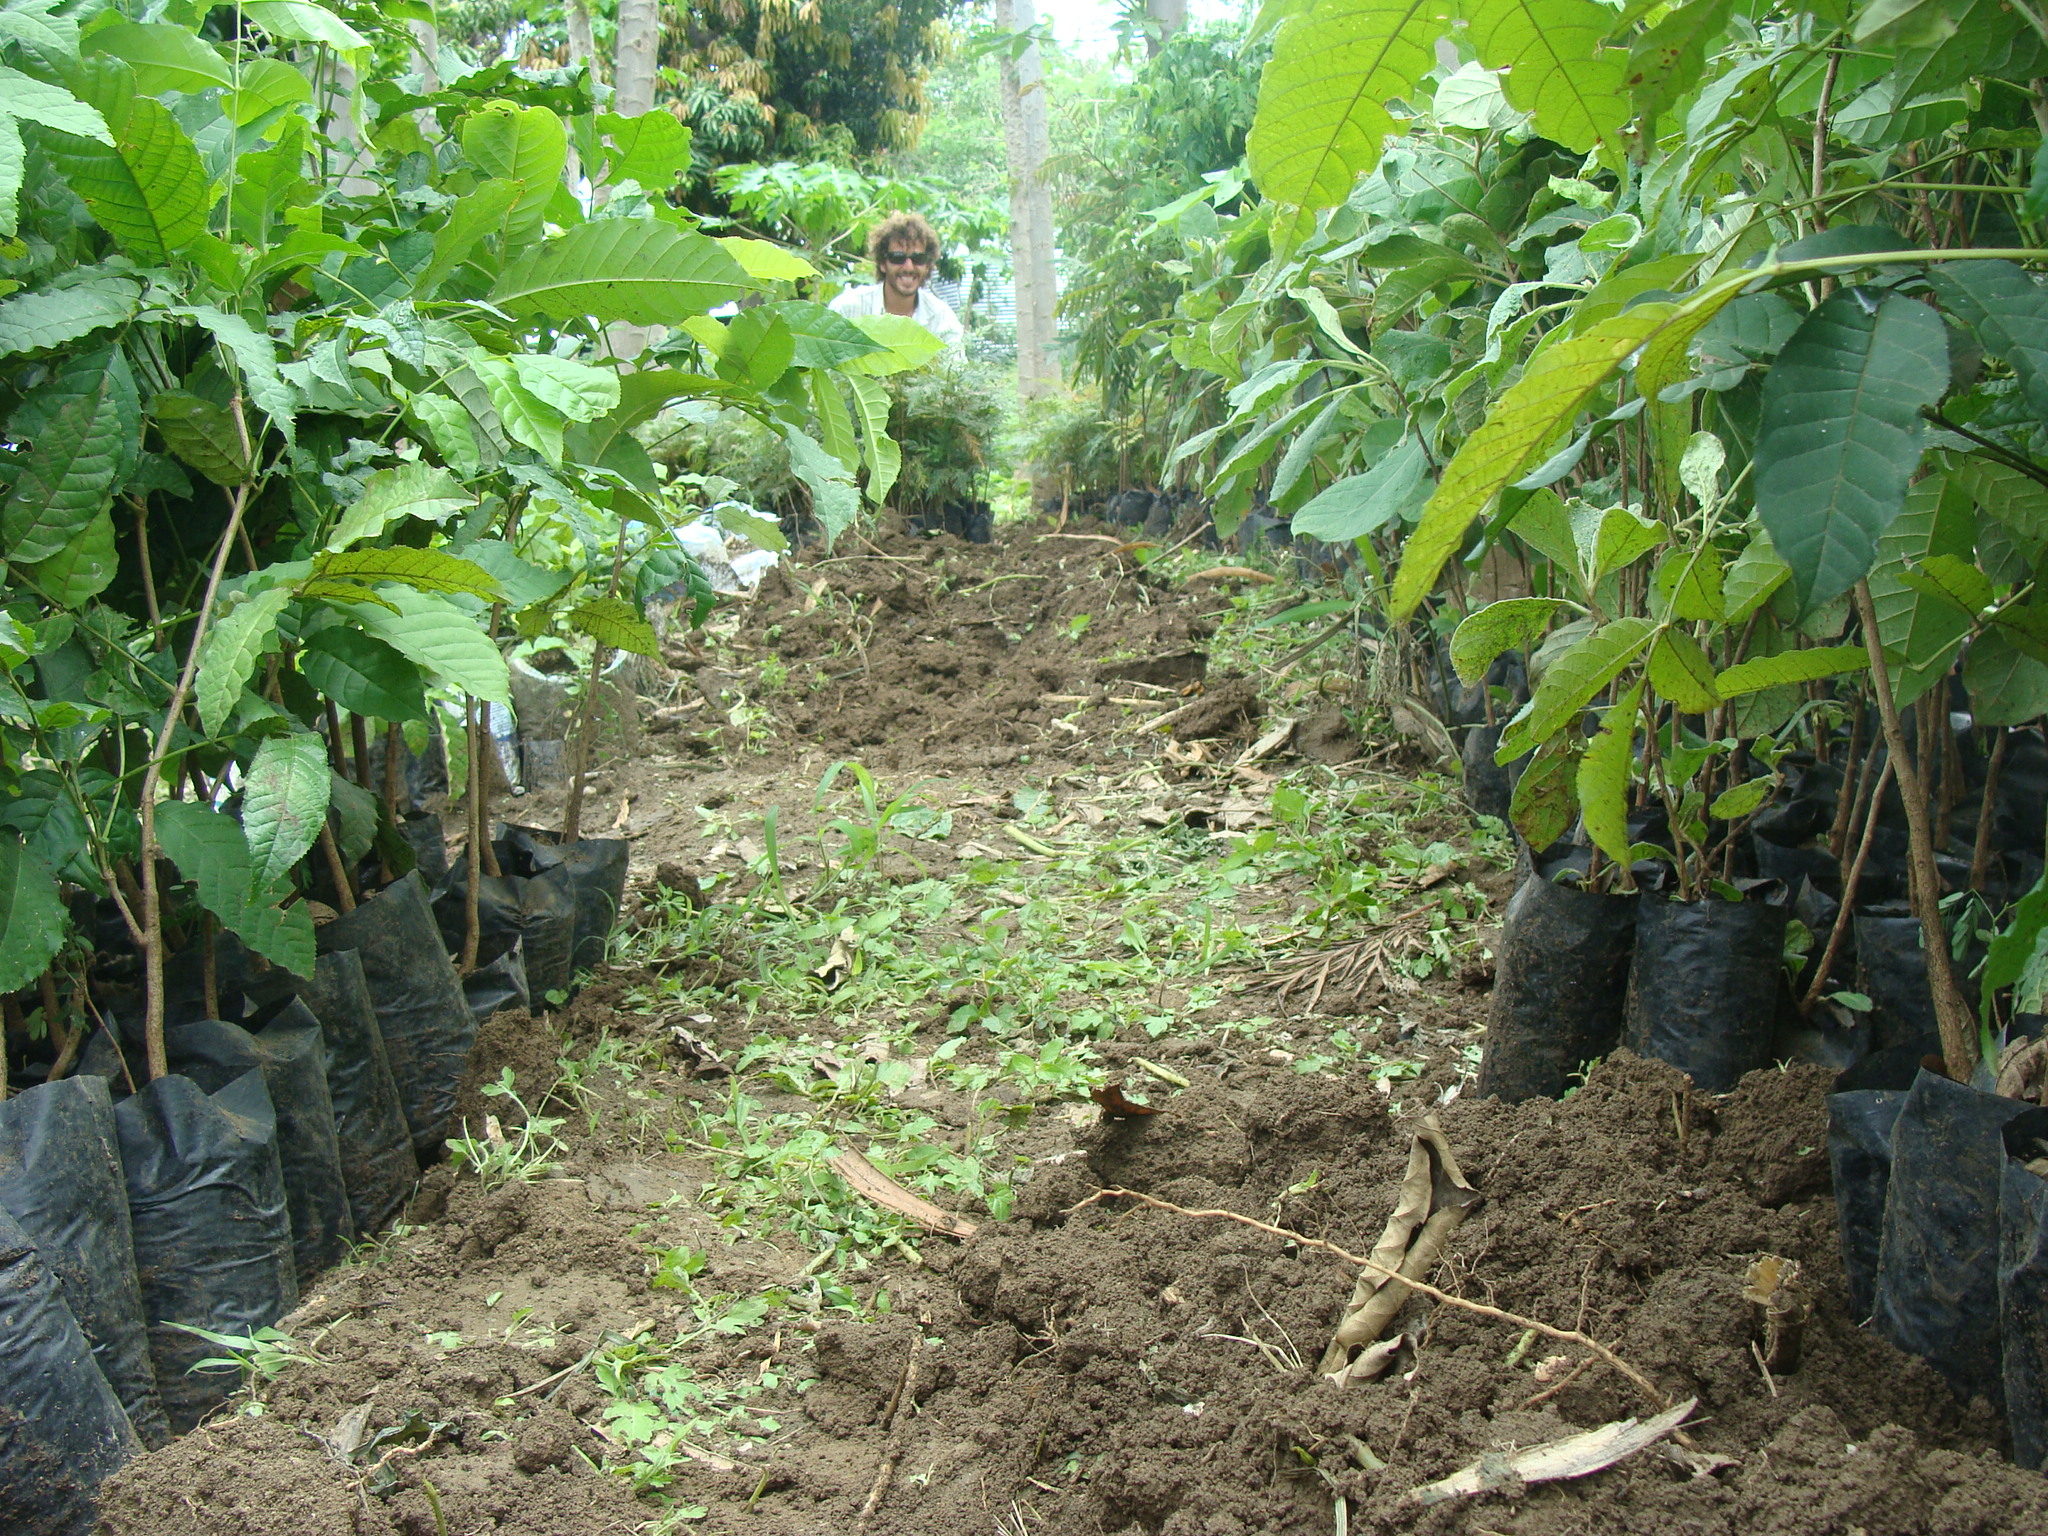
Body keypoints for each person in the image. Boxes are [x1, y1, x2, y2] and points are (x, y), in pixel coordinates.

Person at [828, 210, 964, 350]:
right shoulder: (848, 310)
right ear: (882, 263)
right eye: (898, 258)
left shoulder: (942, 319)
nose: (908, 267)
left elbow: (955, 369)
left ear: (928, 265)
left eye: (918, 259)